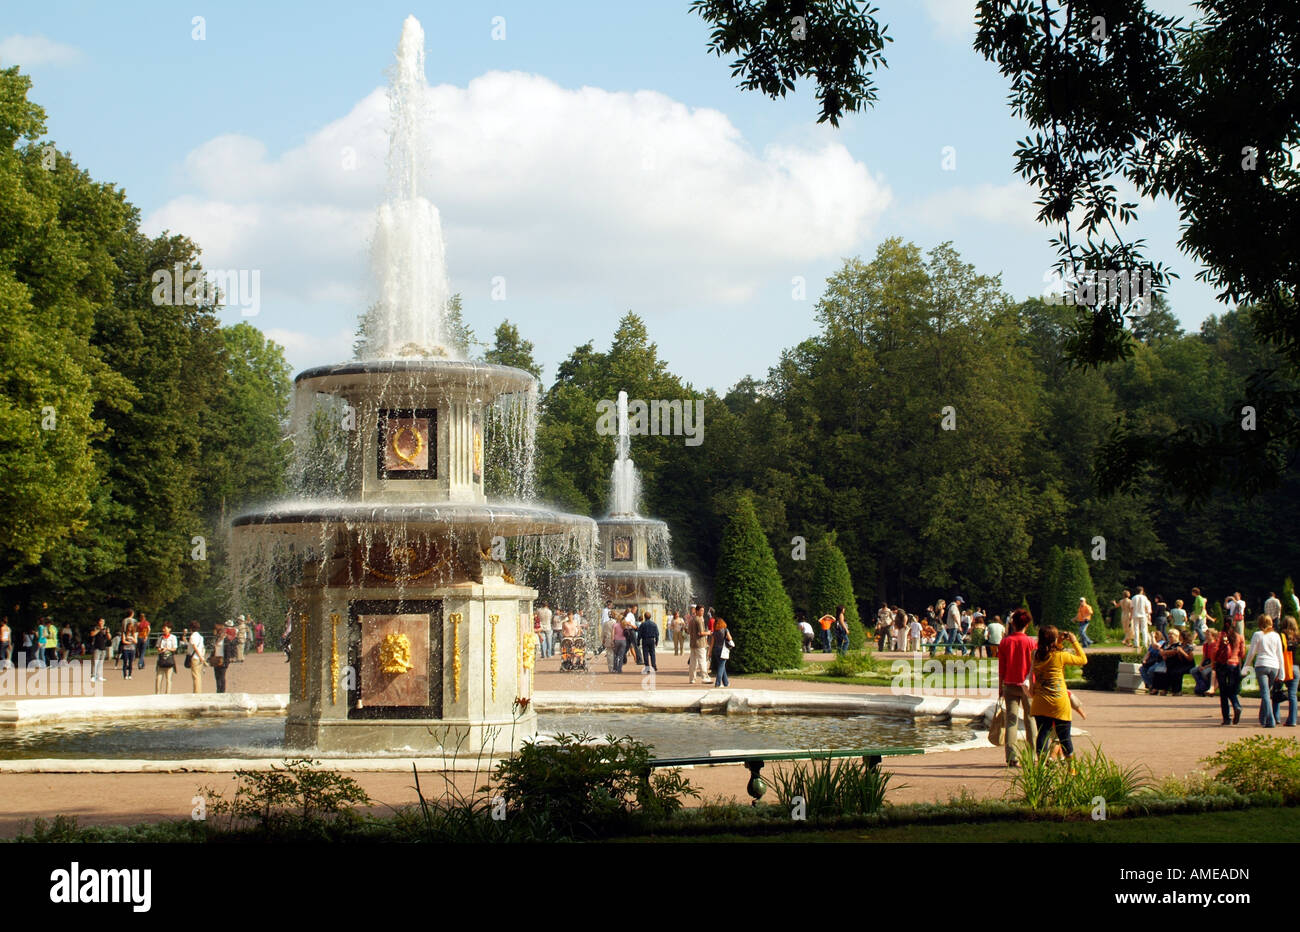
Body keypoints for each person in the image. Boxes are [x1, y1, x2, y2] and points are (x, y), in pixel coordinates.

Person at [1030, 625, 1088, 760]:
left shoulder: (1034, 654)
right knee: (1064, 737)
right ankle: (1071, 770)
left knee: (1043, 734)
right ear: (1054, 639)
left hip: (1040, 701)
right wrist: (1074, 641)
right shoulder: (1061, 656)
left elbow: (1049, 654)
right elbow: (1083, 659)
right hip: (1058, 701)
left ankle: (1042, 767)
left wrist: (1058, 642)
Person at [997, 609, 1037, 767]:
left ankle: (1011, 756)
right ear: (1027, 624)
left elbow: (1002, 667)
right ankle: (1032, 755)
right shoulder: (1031, 642)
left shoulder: (1005, 642)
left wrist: (1000, 687)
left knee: (1011, 721)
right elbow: (1035, 666)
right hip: (1028, 685)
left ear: (1012, 623)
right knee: (1030, 719)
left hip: (1009, 684)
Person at [1243, 614, 1284, 727]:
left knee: (1265, 693)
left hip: (1261, 665)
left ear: (1260, 623)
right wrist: (1282, 672)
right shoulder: (1276, 636)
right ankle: (1263, 717)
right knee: (1266, 693)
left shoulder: (1257, 635)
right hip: (1274, 666)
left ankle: (1270, 720)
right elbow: (1280, 655)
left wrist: (1245, 667)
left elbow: (1251, 653)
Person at [1212, 621, 1246, 725]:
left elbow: (1215, 649)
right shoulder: (1239, 636)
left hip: (1222, 664)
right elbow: (1243, 653)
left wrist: (1214, 661)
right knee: (1232, 689)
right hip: (1234, 665)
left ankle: (1226, 718)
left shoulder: (1222, 635)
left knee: (1223, 691)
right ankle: (1236, 705)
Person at [1152, 628, 1194, 696]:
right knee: (1165, 670)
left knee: (1176, 672)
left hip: (1187, 665)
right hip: (1177, 663)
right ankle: (1165, 689)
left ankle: (1177, 691)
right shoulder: (1180, 645)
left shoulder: (1188, 646)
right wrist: (1164, 654)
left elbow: (1190, 659)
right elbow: (1165, 651)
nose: (1169, 636)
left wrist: (1180, 652)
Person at [1272, 616, 1297, 727]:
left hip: (1283, 666)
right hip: (1295, 667)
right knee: (1292, 695)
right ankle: (1292, 720)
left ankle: (1276, 717)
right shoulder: (1297, 637)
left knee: (1277, 691)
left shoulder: (1280, 636)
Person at [1192, 628, 1218, 697]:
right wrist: (1200, 665)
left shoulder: (1215, 645)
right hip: (1207, 662)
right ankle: (1200, 685)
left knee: (1204, 672)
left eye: (1208, 634)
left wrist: (1205, 667)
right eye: (1205, 634)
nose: (1206, 636)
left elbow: (1214, 660)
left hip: (1213, 663)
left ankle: (1207, 686)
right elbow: (1204, 657)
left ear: (1213, 636)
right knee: (1193, 671)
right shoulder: (1205, 645)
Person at [688, 606, 710, 684]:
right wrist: (709, 632)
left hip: (693, 643)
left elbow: (688, 631)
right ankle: (704, 677)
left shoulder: (691, 620)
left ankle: (692, 679)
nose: (702, 612)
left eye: (703, 610)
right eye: (701, 610)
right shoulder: (699, 620)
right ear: (697, 611)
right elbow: (701, 632)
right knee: (702, 661)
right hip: (700, 643)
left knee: (693, 662)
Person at [154, 624, 179, 694]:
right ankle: (157, 693)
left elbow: (174, 649)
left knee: (168, 679)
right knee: (158, 678)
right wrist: (160, 649)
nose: (164, 630)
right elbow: (157, 647)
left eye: (165, 628)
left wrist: (167, 649)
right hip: (161, 659)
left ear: (169, 629)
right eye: (163, 628)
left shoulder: (173, 637)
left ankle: (167, 694)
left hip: (169, 658)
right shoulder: (161, 638)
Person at [710, 619, 735, 688]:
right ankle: (717, 683)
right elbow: (730, 638)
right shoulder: (725, 630)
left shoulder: (714, 632)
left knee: (722, 666)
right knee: (721, 667)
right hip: (723, 650)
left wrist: (709, 652)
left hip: (716, 649)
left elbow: (712, 643)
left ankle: (726, 683)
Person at [210, 623, 231, 693]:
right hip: (216, 659)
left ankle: (222, 691)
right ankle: (218, 690)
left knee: (222, 677)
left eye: (216, 630)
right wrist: (210, 657)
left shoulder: (226, 640)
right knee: (217, 677)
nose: (214, 631)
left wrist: (226, 662)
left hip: (222, 660)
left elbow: (228, 652)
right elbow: (214, 650)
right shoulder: (216, 639)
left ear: (219, 631)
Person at [187, 624, 206, 693]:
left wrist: (200, 656)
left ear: (191, 628)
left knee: (195, 676)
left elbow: (194, 647)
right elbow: (203, 647)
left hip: (195, 657)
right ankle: (199, 691)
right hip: (200, 657)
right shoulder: (201, 637)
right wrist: (202, 656)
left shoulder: (193, 636)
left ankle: (196, 692)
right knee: (198, 675)